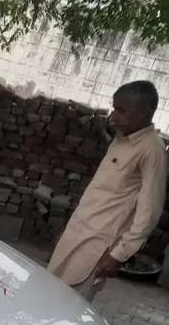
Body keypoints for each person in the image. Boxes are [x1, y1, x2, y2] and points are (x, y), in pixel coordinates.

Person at [49, 80, 168, 300]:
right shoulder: (121, 139)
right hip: (78, 232)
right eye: (114, 108)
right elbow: (101, 192)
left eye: (122, 111)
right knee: (47, 291)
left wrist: (118, 255)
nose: (113, 116)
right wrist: (69, 229)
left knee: (68, 305)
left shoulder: (152, 151)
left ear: (145, 112)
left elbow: (149, 211)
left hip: (98, 244)